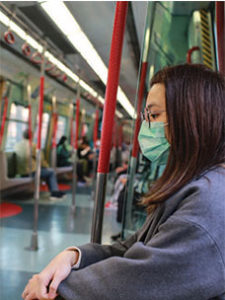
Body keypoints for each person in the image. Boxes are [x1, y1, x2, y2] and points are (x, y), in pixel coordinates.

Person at [22, 64, 225, 300]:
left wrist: (53, 290)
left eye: (155, 115)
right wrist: (73, 256)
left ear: (191, 119)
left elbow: (140, 281)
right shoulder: (193, 185)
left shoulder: (208, 203)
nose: (147, 127)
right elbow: (132, 248)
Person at [15, 129, 65, 199]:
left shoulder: (16, 145)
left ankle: (54, 190)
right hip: (31, 172)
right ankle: (54, 192)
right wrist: (47, 167)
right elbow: (41, 160)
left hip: (20, 172)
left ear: (22, 136)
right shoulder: (33, 146)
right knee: (51, 172)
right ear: (31, 136)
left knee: (46, 171)